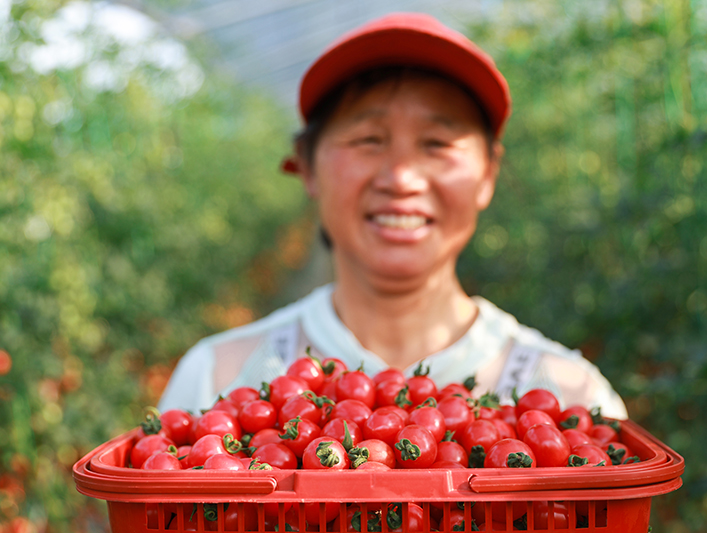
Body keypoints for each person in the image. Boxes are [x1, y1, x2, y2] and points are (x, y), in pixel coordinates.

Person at [158, 13, 628, 419]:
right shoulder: (215, 383)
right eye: (367, 140)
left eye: (438, 144)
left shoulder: (572, 398)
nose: (402, 178)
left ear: (489, 173)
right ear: (307, 166)